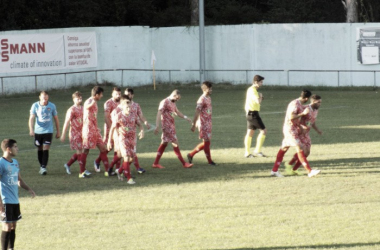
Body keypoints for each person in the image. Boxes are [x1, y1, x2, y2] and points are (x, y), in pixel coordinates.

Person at [271, 90, 321, 178]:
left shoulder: (301, 105)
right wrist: (303, 113)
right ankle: (309, 171)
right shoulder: (294, 104)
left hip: (295, 129)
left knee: (284, 148)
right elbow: (291, 117)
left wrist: (303, 126)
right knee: (300, 147)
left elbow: (305, 120)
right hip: (289, 128)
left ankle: (274, 170)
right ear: (307, 98)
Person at [0, 139, 36, 250]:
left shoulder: (15, 162)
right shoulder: (1, 163)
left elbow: (19, 180)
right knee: (6, 226)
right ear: (8, 149)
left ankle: (11, 248)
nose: (17, 149)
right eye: (15, 147)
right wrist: (0, 204)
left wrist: (29, 189)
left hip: (15, 200)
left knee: (13, 226)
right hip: (5, 201)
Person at [152, 90, 193, 169]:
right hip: (167, 127)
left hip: (171, 125)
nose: (177, 100)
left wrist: (185, 117)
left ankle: (155, 163)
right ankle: (184, 163)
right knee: (175, 143)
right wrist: (157, 125)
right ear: (174, 95)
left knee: (164, 143)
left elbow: (177, 112)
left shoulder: (173, 102)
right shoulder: (164, 102)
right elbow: (159, 113)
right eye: (177, 98)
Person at [107, 97, 144, 184]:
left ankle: (119, 171)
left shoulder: (133, 115)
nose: (129, 109)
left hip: (132, 139)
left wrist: (142, 131)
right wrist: (109, 141)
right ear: (122, 107)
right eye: (127, 107)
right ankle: (129, 179)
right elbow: (112, 128)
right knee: (126, 157)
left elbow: (139, 124)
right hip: (123, 139)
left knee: (131, 159)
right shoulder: (118, 116)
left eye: (130, 107)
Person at [285, 94, 323, 175]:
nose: (320, 104)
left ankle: (293, 168)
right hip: (300, 132)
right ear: (313, 101)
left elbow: (312, 122)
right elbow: (296, 119)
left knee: (307, 153)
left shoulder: (316, 110)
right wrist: (301, 127)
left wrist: (317, 130)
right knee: (302, 151)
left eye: (321, 102)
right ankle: (290, 165)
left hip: (307, 133)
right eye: (318, 102)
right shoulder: (305, 108)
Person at [81, 86, 110, 178]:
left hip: (95, 130)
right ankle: (82, 172)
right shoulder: (89, 101)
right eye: (101, 94)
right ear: (96, 94)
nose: (102, 96)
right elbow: (86, 107)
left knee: (103, 149)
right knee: (86, 150)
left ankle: (107, 170)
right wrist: (93, 102)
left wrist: (97, 128)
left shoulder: (95, 102)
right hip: (88, 130)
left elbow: (94, 117)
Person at [28, 91, 60, 175]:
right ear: (39, 97)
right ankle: (41, 166)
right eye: (43, 98)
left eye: (46, 98)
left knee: (46, 147)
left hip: (48, 131)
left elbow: (56, 119)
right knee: (39, 148)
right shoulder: (35, 105)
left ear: (48, 97)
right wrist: (31, 130)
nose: (44, 99)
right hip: (38, 131)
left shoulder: (52, 106)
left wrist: (58, 131)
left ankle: (43, 167)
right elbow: (31, 118)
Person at [60, 91, 90, 176]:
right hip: (75, 133)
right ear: (73, 99)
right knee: (80, 151)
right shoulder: (71, 110)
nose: (80, 100)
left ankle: (68, 165)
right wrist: (63, 134)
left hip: (83, 132)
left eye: (80, 98)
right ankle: (82, 170)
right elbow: (66, 122)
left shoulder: (83, 108)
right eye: (77, 98)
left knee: (84, 151)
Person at [188, 81, 216, 165]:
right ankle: (210, 161)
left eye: (211, 88)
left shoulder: (208, 98)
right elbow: (197, 112)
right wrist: (194, 124)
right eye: (209, 89)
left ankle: (191, 154)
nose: (211, 90)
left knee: (206, 142)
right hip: (203, 123)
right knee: (207, 142)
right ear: (204, 89)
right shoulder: (201, 99)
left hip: (208, 123)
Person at [94, 87, 121, 174]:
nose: (118, 96)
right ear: (112, 94)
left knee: (119, 147)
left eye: (119, 94)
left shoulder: (121, 102)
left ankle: (117, 167)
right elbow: (106, 117)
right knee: (108, 147)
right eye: (116, 94)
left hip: (120, 128)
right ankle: (97, 161)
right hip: (110, 128)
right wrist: (112, 129)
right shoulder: (108, 103)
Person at [124, 88, 151, 174]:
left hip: (132, 132)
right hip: (122, 133)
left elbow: (141, 115)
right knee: (120, 153)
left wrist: (145, 122)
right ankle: (118, 168)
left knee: (132, 152)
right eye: (125, 94)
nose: (126, 96)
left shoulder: (136, 105)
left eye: (128, 94)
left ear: (132, 95)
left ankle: (124, 169)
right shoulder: (121, 105)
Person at [244, 75, 267, 158]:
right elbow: (258, 102)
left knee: (250, 133)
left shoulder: (252, 90)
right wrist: (260, 97)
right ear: (256, 82)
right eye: (261, 82)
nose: (262, 84)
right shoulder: (253, 90)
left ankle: (247, 153)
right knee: (263, 131)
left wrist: (260, 97)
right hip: (253, 114)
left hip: (250, 113)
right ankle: (257, 150)